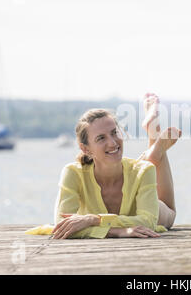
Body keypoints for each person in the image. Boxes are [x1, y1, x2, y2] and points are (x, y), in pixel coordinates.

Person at [52, 93, 181, 239]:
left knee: (169, 212)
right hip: (133, 211)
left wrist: (94, 219)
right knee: (143, 168)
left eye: (114, 133)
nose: (113, 142)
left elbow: (149, 222)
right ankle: (153, 144)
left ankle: (154, 140)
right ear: (86, 149)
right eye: (101, 138)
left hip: (146, 201)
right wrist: (118, 231)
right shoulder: (73, 173)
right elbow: (61, 225)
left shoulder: (145, 171)